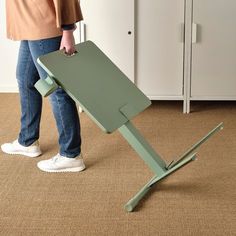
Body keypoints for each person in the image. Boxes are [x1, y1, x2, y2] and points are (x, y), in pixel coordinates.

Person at [1, 0, 85, 173]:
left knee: (56, 90)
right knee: (25, 79)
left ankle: (71, 155)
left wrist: (68, 31)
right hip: (29, 25)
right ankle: (28, 140)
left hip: (43, 26)